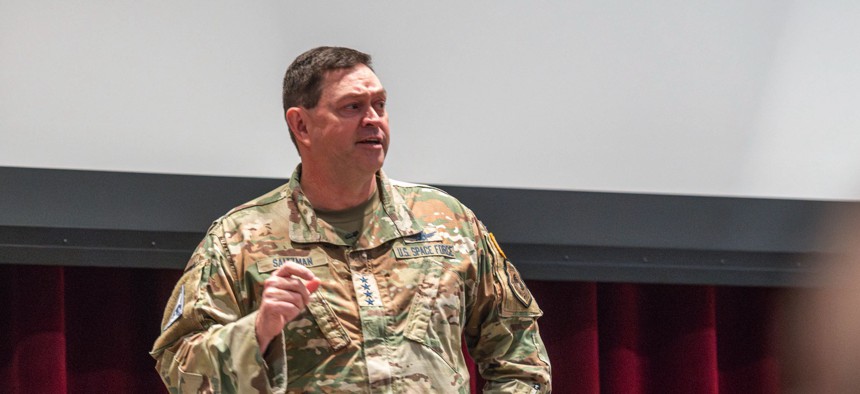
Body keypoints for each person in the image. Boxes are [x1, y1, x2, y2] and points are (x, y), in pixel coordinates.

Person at [151, 46, 551, 393]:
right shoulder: (239, 238)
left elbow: (518, 351)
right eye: (352, 107)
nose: (374, 118)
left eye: (380, 104)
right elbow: (179, 371)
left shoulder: (448, 220)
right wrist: (258, 330)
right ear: (301, 125)